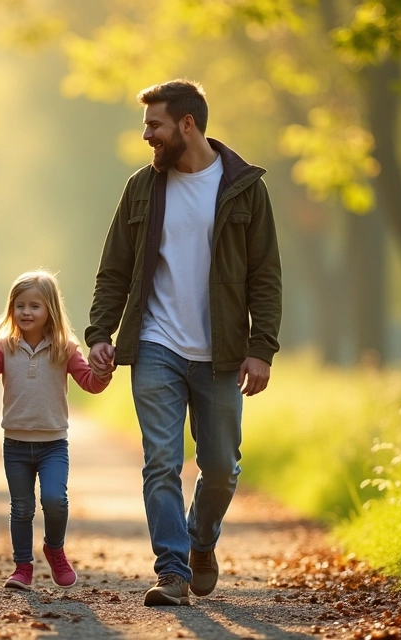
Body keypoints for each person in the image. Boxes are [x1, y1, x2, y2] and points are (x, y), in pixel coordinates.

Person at [86, 79, 282, 606]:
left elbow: (265, 275)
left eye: (155, 124)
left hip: (220, 352)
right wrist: (100, 332)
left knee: (220, 467)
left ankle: (201, 541)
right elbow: (114, 270)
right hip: (156, 344)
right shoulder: (143, 188)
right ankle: (171, 570)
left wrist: (261, 348)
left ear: (187, 125)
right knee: (161, 461)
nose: (147, 134)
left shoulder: (244, 187)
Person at [0, 271, 110, 591]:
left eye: (34, 306)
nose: (26, 312)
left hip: (54, 444)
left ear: (50, 310)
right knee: (22, 508)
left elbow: (91, 384)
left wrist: (104, 371)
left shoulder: (64, 348)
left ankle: (54, 548)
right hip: (15, 445)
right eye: (20, 305)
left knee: (56, 501)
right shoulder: (3, 348)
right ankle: (23, 567)